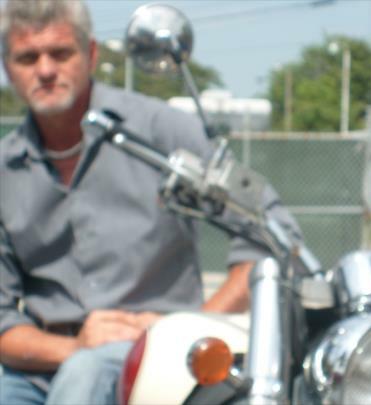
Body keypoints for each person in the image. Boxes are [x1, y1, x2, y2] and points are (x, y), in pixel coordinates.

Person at [0, 1, 300, 404]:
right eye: (27, 57)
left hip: (159, 358)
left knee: (85, 375)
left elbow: (268, 230)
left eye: (60, 53)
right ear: (7, 67)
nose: (46, 70)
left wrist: (192, 327)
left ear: (91, 54)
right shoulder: (5, 170)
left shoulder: (161, 133)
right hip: (44, 362)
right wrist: (74, 346)